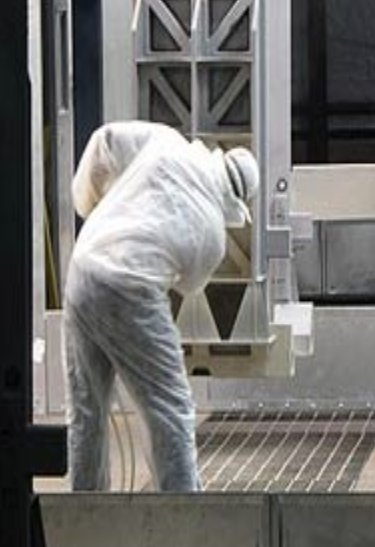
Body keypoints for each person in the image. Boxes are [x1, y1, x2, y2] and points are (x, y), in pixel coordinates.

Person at [63, 120, 259, 491]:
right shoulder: (213, 237)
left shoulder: (167, 142)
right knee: (170, 408)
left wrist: (92, 205)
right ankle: (184, 516)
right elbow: (188, 285)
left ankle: (85, 515)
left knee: (86, 412)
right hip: (131, 290)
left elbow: (103, 141)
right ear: (235, 205)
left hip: (82, 267)